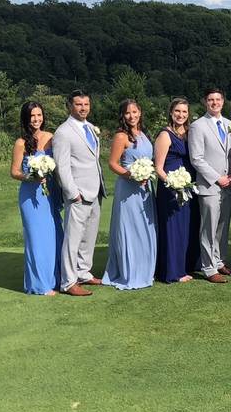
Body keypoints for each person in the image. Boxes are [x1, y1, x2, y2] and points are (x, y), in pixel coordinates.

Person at [53, 89, 107, 296]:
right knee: (73, 239)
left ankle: (83, 272)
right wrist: (72, 193)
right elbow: (62, 166)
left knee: (89, 236)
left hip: (95, 191)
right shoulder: (63, 132)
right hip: (78, 194)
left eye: (86, 104)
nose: (83, 108)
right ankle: (68, 282)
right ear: (70, 106)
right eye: (78, 104)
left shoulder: (90, 128)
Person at [103, 99, 157, 290]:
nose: (132, 116)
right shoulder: (121, 136)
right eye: (127, 113)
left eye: (135, 112)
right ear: (122, 116)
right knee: (131, 228)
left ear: (140, 112)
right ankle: (130, 271)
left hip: (145, 189)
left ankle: (145, 269)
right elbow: (112, 163)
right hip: (128, 189)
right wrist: (131, 175)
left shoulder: (143, 134)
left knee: (144, 228)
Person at [10, 101, 63, 295]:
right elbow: (14, 172)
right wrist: (31, 176)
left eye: (39, 115)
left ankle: (56, 279)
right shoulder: (21, 142)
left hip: (49, 195)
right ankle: (39, 285)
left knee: (54, 235)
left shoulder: (50, 137)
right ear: (26, 118)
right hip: (30, 196)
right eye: (32, 116)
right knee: (37, 239)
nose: (36, 119)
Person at [188, 87, 231, 283]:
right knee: (208, 227)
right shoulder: (198, 126)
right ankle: (208, 268)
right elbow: (196, 159)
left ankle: (219, 261)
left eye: (218, 99)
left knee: (223, 226)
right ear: (205, 102)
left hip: (230, 184)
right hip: (209, 186)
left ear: (223, 101)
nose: (214, 103)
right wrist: (218, 178)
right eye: (210, 100)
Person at [154, 97, 199, 283]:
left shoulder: (189, 133)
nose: (181, 115)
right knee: (172, 229)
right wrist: (173, 184)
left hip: (188, 188)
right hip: (170, 190)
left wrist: (185, 185)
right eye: (177, 111)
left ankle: (186, 266)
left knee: (187, 227)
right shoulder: (165, 135)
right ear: (171, 112)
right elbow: (158, 168)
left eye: (184, 112)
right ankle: (171, 271)